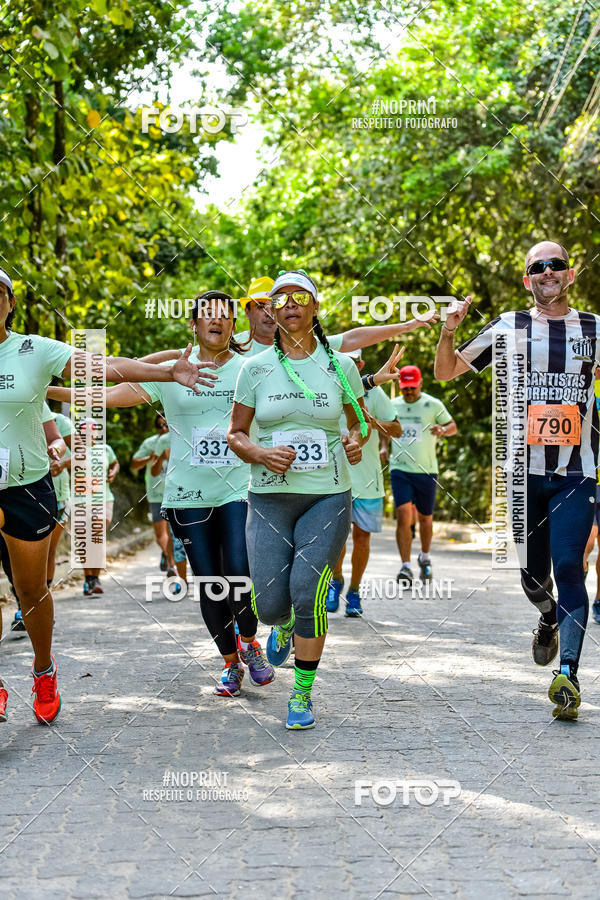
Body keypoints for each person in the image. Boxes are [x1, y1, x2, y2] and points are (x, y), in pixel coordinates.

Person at [0, 265, 214, 724]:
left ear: (10, 302)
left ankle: (43, 669)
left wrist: (166, 372)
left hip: (26, 487)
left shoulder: (33, 349)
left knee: (30, 589)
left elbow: (104, 367)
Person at [55, 291, 275, 697]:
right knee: (210, 583)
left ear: (233, 325)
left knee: (239, 572)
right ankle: (230, 664)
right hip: (187, 494)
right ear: (193, 324)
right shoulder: (172, 373)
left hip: (238, 487)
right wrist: (45, 392)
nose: (217, 320)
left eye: (225, 315)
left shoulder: (251, 368)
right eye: (207, 314)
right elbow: (107, 395)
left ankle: (249, 641)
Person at [434, 240, 599, 720]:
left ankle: (567, 674)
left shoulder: (594, 328)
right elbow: (445, 371)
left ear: (569, 274)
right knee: (533, 579)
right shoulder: (507, 326)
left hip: (577, 473)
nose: (548, 271)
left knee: (570, 567)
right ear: (527, 280)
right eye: (538, 267)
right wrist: (448, 330)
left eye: (556, 264)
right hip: (523, 476)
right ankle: (548, 617)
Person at [228, 269, 371, 730]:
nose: (289, 304)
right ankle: (283, 624)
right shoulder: (255, 368)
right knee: (270, 605)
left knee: (308, 591)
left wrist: (354, 440)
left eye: (300, 297)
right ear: (271, 310)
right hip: (269, 497)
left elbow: (359, 422)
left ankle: (302, 694)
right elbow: (235, 433)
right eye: (280, 298)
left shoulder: (340, 365)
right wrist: (260, 453)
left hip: (327, 495)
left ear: (315, 307)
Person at [326, 347, 403, 616]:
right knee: (336, 539)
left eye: (353, 361)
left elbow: (397, 429)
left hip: (368, 480)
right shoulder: (324, 388)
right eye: (341, 360)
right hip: (333, 479)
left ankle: (355, 591)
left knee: (361, 538)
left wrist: (373, 421)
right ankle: (336, 579)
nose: (347, 365)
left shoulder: (374, 392)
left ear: (360, 365)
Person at [383, 364, 456, 585]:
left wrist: (442, 430)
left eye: (412, 387)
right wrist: (384, 447)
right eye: (405, 388)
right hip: (400, 468)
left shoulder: (433, 404)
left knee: (425, 518)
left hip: (426, 469)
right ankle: (405, 566)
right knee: (403, 515)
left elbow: (452, 426)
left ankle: (425, 557)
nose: (409, 392)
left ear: (420, 384)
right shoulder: (392, 404)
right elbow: (386, 427)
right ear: (399, 385)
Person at [237, 275, 439, 355]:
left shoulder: (309, 347)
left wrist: (407, 326)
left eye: (273, 304)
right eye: (260, 307)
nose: (268, 313)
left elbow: (353, 338)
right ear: (247, 311)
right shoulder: (230, 348)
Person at [71, 418, 119, 596]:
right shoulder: (73, 450)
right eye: (83, 428)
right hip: (80, 500)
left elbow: (115, 463)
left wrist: (113, 472)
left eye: (92, 427)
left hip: (103, 499)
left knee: (97, 537)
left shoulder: (105, 449)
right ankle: (88, 578)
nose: (88, 430)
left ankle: (95, 578)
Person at [131, 412, 179, 577]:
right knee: (160, 534)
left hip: (176, 493)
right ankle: (167, 554)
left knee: (173, 531)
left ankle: (171, 564)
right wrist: (151, 458)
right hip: (156, 494)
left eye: (166, 425)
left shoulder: (179, 439)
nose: (163, 428)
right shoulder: (150, 443)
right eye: (160, 425)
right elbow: (134, 464)